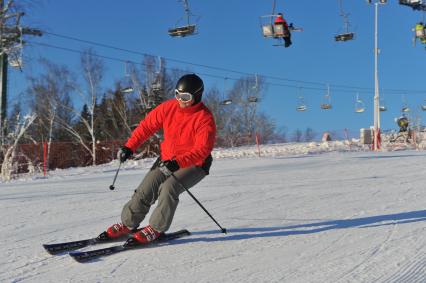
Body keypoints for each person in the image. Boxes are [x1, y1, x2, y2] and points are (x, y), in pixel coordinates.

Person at [105, 73, 217, 244]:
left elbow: (202, 150)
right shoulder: (169, 107)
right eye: (177, 94)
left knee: (169, 188)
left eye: (185, 97)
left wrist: (177, 163)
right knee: (146, 188)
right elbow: (147, 126)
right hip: (167, 159)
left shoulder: (204, 118)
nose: (180, 100)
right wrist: (129, 147)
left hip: (194, 164)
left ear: (197, 96)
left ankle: (156, 228)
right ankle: (128, 223)